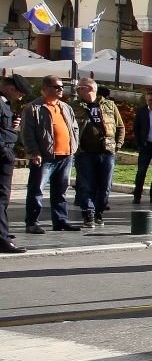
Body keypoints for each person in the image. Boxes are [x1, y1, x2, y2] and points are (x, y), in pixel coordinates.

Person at [20, 76, 81, 234]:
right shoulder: (34, 108)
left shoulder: (65, 107)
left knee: (60, 190)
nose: (60, 89)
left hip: (66, 155)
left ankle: (60, 220)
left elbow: (74, 128)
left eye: (61, 87)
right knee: (37, 190)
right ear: (45, 88)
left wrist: (73, 146)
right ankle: (32, 222)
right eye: (56, 87)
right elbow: (27, 133)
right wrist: (34, 152)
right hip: (45, 156)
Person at [70, 78, 124, 227]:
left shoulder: (109, 105)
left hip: (106, 152)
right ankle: (88, 213)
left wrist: (118, 145)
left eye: (79, 87)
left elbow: (120, 127)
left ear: (90, 89)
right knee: (86, 185)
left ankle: (99, 212)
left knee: (105, 185)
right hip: (84, 152)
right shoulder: (73, 106)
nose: (76, 90)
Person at [0, 76, 30, 252]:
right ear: (11, 89)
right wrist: (4, 150)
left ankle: (3, 232)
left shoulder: (4, 104)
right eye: (20, 93)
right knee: (1, 198)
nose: (20, 98)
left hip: (4, 153)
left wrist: (11, 125)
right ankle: (2, 238)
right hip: (2, 155)